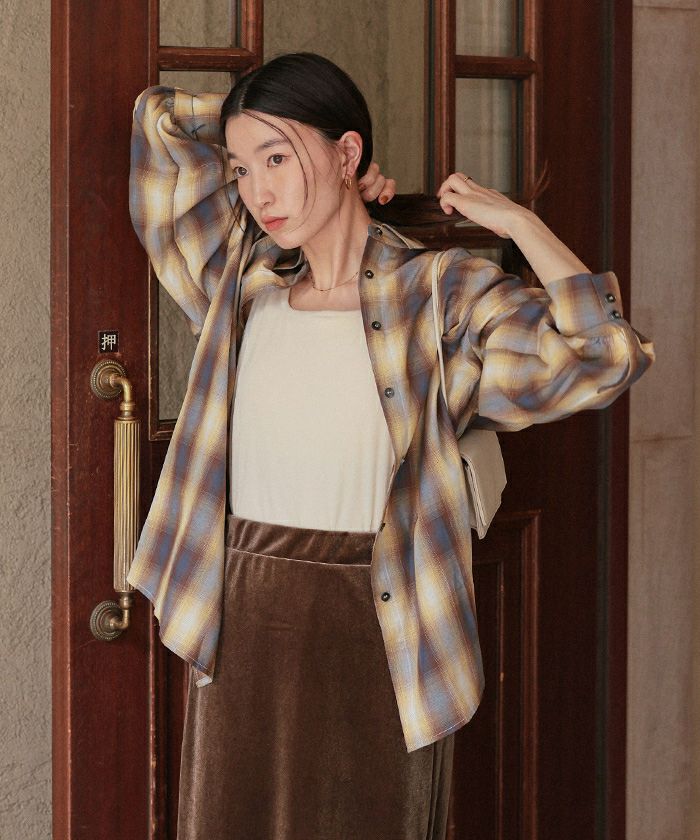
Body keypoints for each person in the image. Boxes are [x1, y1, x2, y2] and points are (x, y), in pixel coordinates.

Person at [126, 51, 655, 840]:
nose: (259, 192)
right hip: (243, 611)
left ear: (346, 153)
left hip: (381, 621)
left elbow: (603, 358)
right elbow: (158, 124)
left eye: (278, 159)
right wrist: (271, 130)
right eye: (242, 169)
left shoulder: (437, 295)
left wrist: (518, 224)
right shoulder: (238, 280)